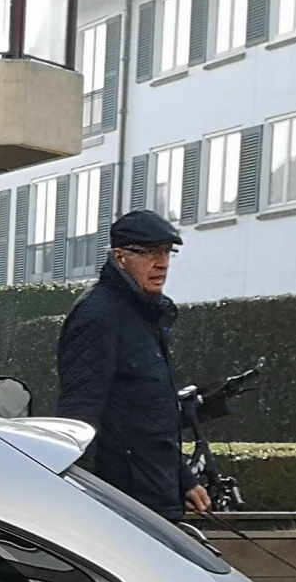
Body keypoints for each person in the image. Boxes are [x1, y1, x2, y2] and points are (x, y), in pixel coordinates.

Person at [58, 210, 209, 519]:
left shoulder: (146, 313)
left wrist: (184, 479)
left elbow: (149, 416)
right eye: (150, 252)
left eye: (167, 252)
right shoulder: (98, 316)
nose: (162, 263)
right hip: (121, 503)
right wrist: (76, 501)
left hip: (152, 494)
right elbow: (80, 413)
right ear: (119, 256)